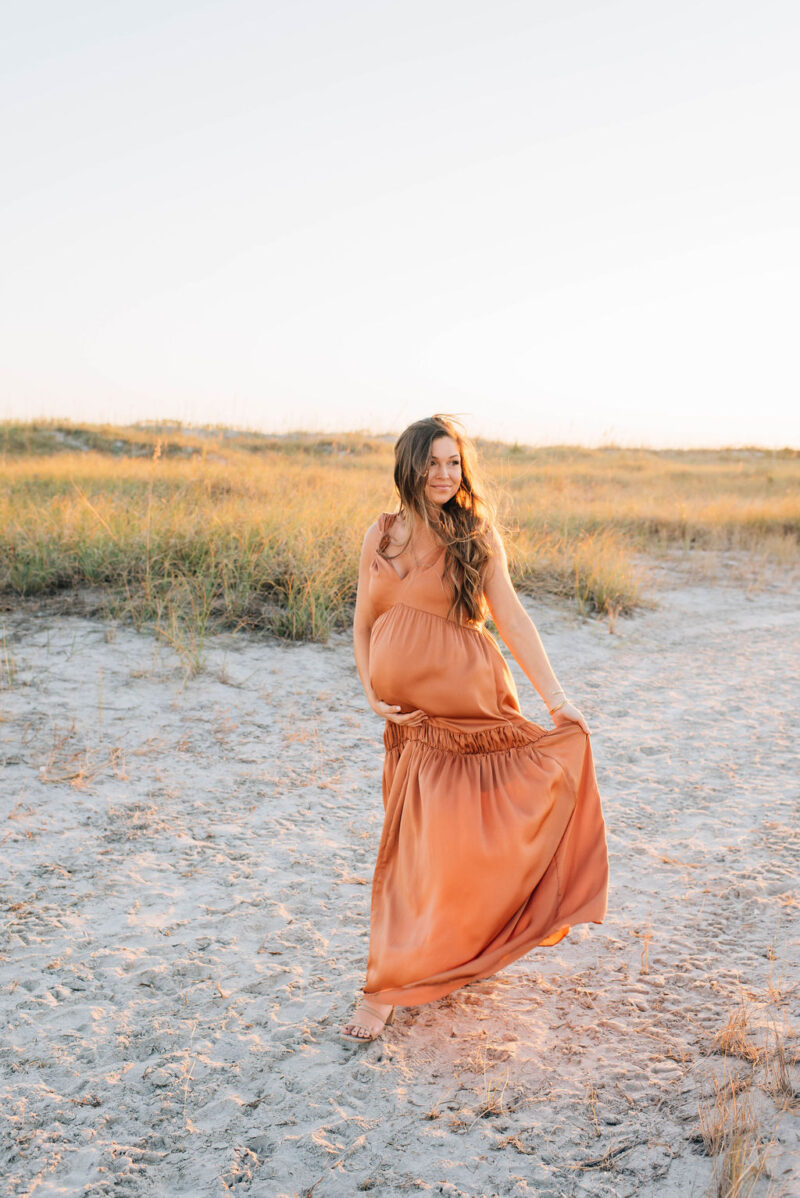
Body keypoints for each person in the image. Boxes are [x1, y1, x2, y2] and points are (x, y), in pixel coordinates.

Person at [340, 415, 608, 1043]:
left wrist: (557, 700)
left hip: (470, 709)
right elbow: (360, 624)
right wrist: (372, 695)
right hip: (409, 723)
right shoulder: (381, 535)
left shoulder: (474, 534)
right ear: (408, 466)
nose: (443, 474)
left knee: (446, 844)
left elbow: (510, 619)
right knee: (418, 846)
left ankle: (382, 993)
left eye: (454, 462)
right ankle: (426, 963)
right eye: (432, 462)